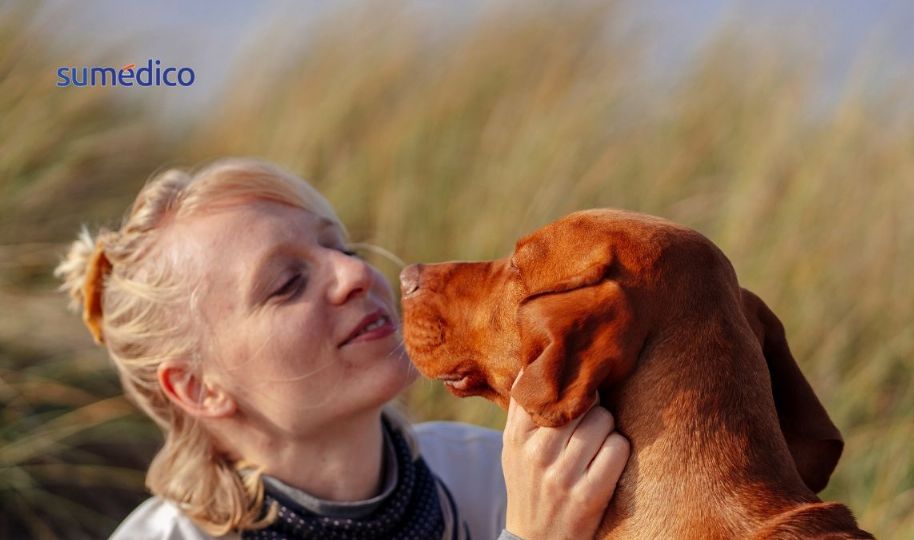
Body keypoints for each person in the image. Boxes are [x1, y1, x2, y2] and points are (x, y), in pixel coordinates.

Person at [56, 158, 630, 540]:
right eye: (286, 283)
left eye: (343, 246)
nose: (353, 275)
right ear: (198, 388)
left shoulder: (498, 473)